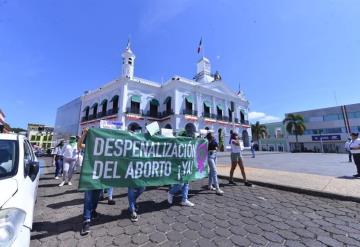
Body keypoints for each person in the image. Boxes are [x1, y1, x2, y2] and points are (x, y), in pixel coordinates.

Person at [78, 128, 103, 235]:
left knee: (96, 197)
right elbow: (79, 146)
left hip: (100, 177)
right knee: (88, 198)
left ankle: (93, 211)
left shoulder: (104, 147)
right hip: (89, 176)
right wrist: (84, 134)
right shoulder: (89, 146)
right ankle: (86, 220)